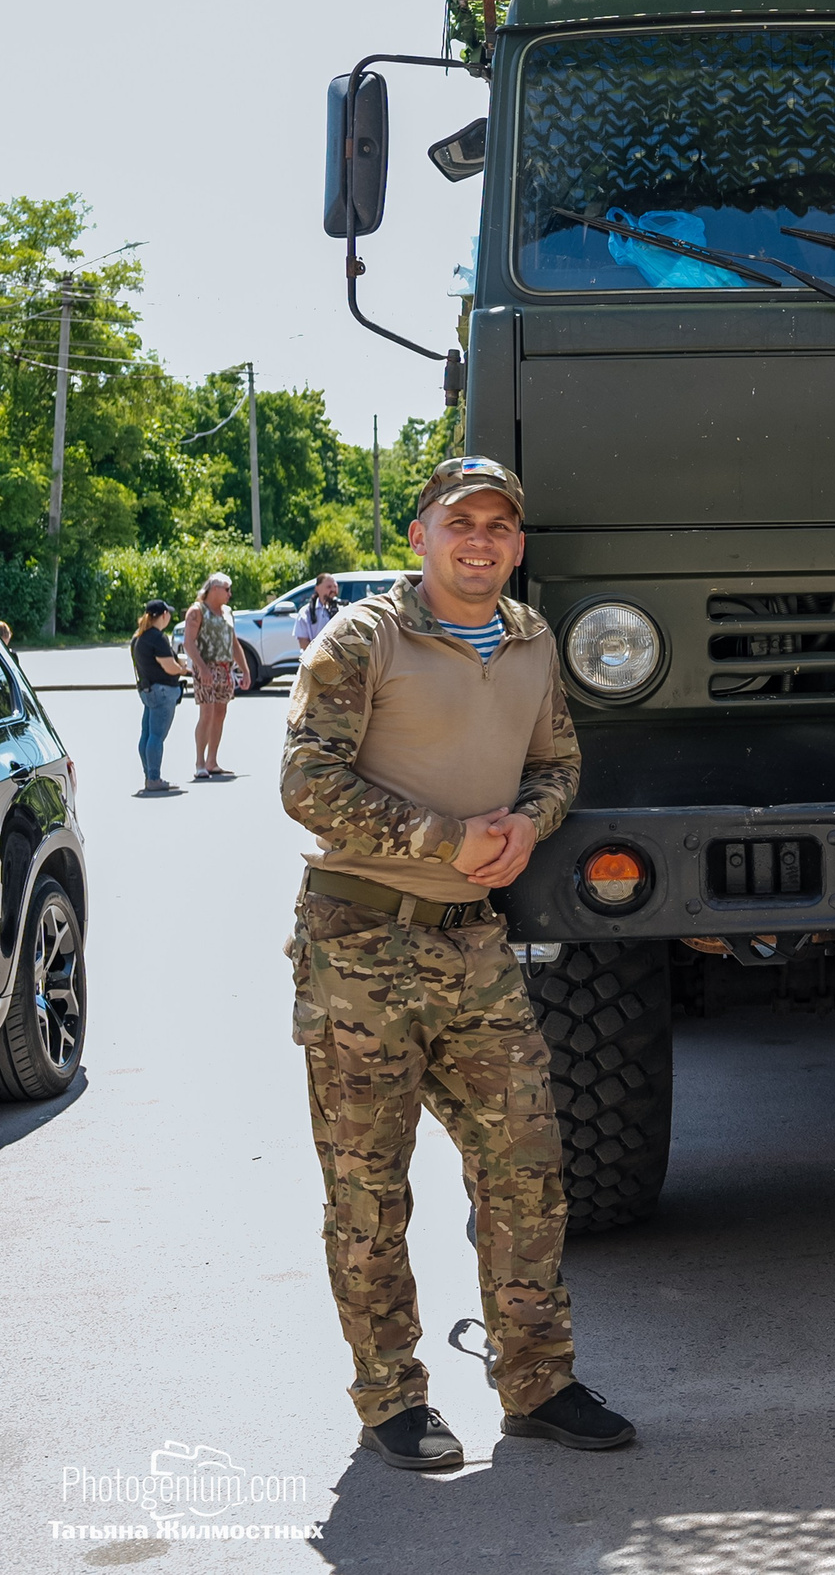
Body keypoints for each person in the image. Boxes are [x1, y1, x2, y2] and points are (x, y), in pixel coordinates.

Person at [280, 454, 635, 1471]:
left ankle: (538, 1381)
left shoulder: (529, 642)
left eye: (497, 525)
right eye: (459, 522)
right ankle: (391, 1398)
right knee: (368, 1186)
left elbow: (558, 761)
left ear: (517, 544)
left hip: (473, 942)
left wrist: (528, 823)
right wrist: (443, 838)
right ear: (420, 536)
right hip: (360, 940)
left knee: (526, 1168)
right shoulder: (363, 640)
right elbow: (306, 780)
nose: (479, 539)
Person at [184, 572, 253, 781]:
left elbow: (234, 643)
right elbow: (189, 643)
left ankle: (213, 761)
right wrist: (202, 668)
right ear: (214, 589)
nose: (229, 594)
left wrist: (245, 670)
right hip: (205, 667)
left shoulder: (227, 612)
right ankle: (200, 762)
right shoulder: (197, 611)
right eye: (227, 589)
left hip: (225, 668)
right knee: (206, 713)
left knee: (220, 712)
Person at [131, 601, 187, 793]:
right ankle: (154, 778)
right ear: (163, 615)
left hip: (148, 691)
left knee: (147, 735)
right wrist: (183, 670)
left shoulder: (139, 637)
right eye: (168, 613)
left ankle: (149, 776)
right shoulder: (157, 638)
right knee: (156, 737)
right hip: (162, 691)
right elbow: (169, 666)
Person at [294, 572, 344, 650]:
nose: (333, 590)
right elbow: (303, 642)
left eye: (335, 586)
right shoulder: (306, 612)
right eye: (329, 587)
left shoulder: (343, 608)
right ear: (317, 588)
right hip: (314, 657)